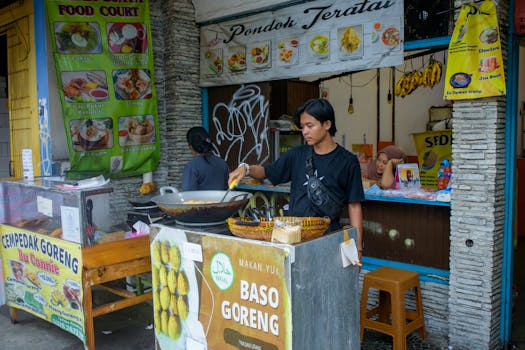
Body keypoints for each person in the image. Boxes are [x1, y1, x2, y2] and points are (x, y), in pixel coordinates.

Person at [229, 98, 364, 255]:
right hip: (294, 238)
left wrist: (358, 248)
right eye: (302, 127)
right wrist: (245, 168)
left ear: (327, 124)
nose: (304, 131)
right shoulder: (297, 155)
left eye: (310, 125)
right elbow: (266, 172)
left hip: (328, 238)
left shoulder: (347, 161)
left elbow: (354, 206)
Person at [182, 126, 230, 191]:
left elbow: (188, 194)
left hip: (200, 201)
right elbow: (228, 187)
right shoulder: (222, 163)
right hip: (222, 201)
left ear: (190, 146)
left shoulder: (192, 167)